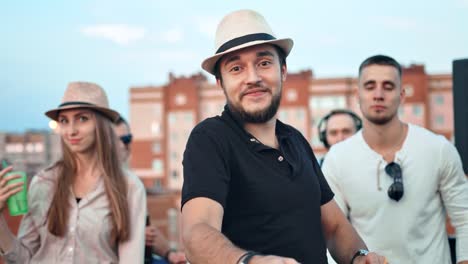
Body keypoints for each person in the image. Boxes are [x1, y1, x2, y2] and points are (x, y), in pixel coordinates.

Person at [180, 9, 386, 264]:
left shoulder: (296, 140)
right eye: (236, 68)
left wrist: (359, 257)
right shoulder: (210, 139)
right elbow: (196, 232)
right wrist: (251, 262)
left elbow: (333, 227)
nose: (253, 78)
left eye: (264, 63)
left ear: (283, 71)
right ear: (220, 83)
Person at [322, 55, 468, 264]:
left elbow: (465, 218)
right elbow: (334, 230)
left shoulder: (438, 149)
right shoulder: (337, 159)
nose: (378, 94)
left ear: (402, 95)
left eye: (388, 86)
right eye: (370, 86)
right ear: (358, 94)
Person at [0, 82, 146, 263]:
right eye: (64, 121)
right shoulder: (44, 182)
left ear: (101, 125)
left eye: (82, 119)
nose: (71, 130)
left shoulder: (129, 187)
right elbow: (22, 259)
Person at [114, 117, 186, 264]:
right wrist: (134, 236)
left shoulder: (131, 184)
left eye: (128, 139)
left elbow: (147, 230)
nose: (124, 145)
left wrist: (170, 254)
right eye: (118, 139)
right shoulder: (94, 185)